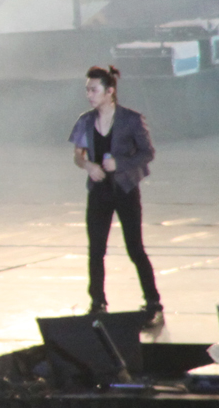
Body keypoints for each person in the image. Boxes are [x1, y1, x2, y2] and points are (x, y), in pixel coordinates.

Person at [69, 66, 163, 328]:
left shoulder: (131, 120)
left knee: (135, 248)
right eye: (87, 90)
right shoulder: (86, 121)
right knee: (96, 249)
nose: (89, 95)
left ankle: (153, 302)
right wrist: (88, 165)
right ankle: (97, 302)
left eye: (94, 90)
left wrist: (119, 164)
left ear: (110, 91)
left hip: (125, 189)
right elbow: (78, 154)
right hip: (98, 190)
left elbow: (147, 153)